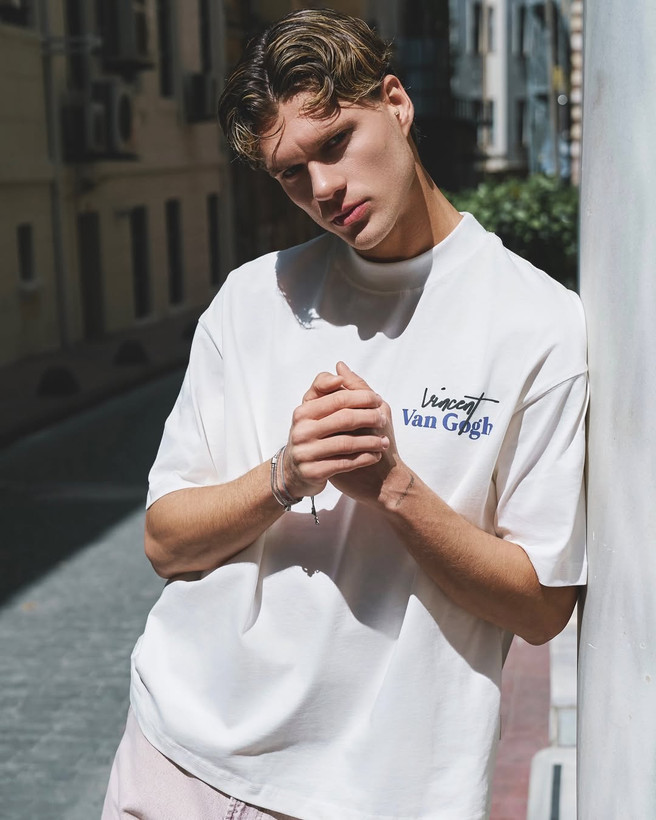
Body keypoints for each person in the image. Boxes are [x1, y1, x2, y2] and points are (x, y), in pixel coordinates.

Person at [103, 8, 587, 820]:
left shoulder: (538, 324)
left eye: (334, 143)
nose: (323, 189)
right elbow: (166, 542)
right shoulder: (254, 299)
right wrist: (284, 476)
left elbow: (541, 607)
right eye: (292, 173)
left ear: (395, 102)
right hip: (177, 754)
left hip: (374, 794)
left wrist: (394, 487)